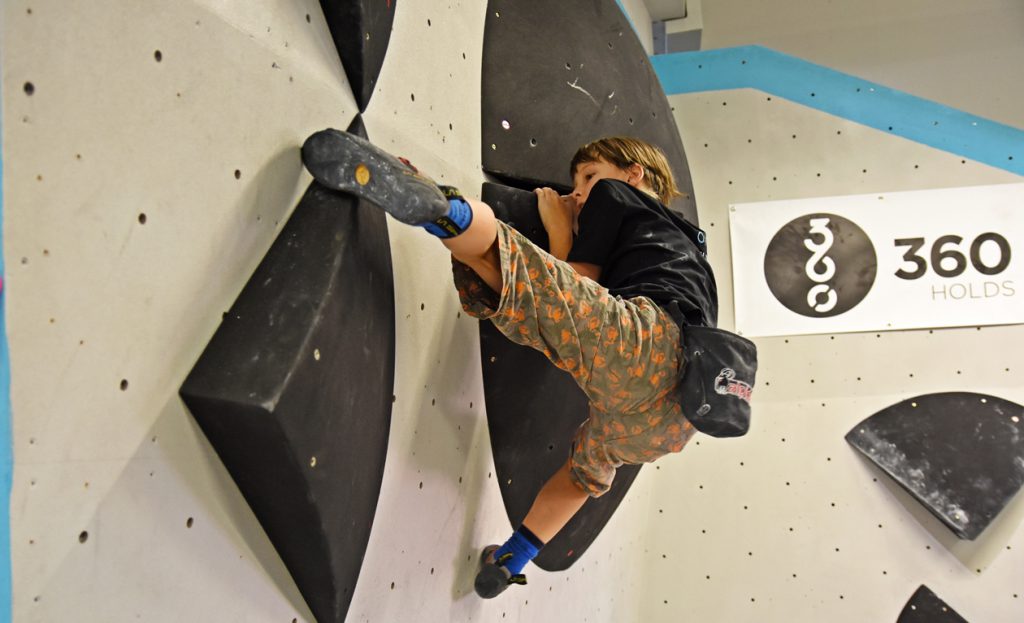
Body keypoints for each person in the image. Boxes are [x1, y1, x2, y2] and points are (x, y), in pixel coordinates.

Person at [301, 130, 753, 599]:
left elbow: (576, 280)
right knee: (584, 473)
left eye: (588, 176)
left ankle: (441, 207)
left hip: (642, 343)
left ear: (633, 173)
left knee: (519, 261)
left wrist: (559, 228)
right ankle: (511, 559)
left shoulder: (613, 196)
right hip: (674, 420)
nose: (577, 193)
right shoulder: (695, 252)